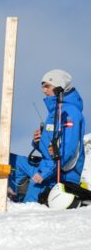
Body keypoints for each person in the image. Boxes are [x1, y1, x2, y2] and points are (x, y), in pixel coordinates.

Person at [8, 69, 85, 203]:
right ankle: (15, 195)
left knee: (34, 189)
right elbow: (52, 146)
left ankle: (26, 205)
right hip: (48, 166)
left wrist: (43, 173)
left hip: (61, 174)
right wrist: (38, 142)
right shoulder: (55, 111)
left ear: (59, 86)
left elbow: (68, 150)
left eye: (47, 86)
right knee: (10, 161)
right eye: (42, 86)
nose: (44, 90)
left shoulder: (70, 112)